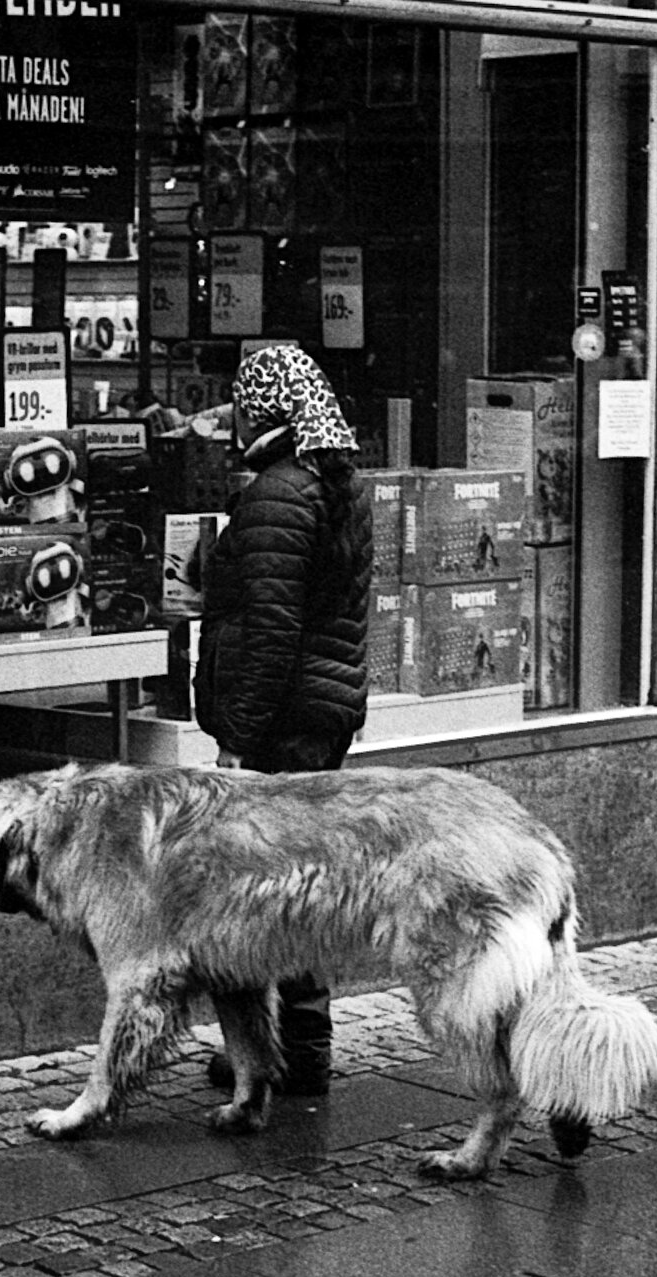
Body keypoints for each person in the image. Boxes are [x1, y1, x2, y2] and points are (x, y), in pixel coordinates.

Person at [193, 344, 374, 1096]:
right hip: (321, 711)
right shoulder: (337, 484)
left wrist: (238, 736)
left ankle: (279, 1051)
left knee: (273, 887)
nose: (234, 415)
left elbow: (271, 629)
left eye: (241, 402)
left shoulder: (277, 491)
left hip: (284, 718)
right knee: (301, 883)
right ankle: (300, 1044)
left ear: (264, 409)